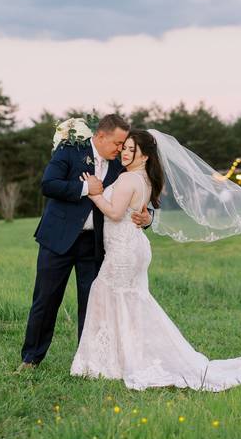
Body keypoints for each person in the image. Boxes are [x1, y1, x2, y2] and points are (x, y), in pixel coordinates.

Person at [71, 129, 241, 391]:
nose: (126, 153)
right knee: (129, 300)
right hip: (132, 247)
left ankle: (110, 362)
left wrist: (93, 192)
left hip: (124, 251)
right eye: (125, 148)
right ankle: (118, 358)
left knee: (109, 294)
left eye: (133, 149)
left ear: (145, 156)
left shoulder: (129, 179)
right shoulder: (143, 179)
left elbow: (116, 213)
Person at [19, 114, 152, 369]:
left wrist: (148, 217)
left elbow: (136, 195)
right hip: (58, 239)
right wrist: (85, 189)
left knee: (91, 303)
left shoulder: (120, 166)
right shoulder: (70, 151)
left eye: (124, 145)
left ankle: (88, 361)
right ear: (100, 136)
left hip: (94, 243)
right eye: (117, 143)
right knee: (46, 300)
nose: (121, 149)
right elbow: (48, 184)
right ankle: (31, 358)